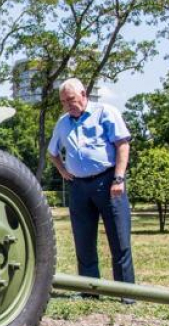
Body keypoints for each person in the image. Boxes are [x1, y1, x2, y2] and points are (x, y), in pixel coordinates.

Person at [47, 78, 135, 301]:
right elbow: (52, 152)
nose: (68, 105)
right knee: (84, 241)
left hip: (107, 182)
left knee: (119, 239)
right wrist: (63, 171)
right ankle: (90, 291)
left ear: (84, 95)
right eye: (64, 102)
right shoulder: (63, 123)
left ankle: (126, 293)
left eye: (71, 100)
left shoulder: (105, 112)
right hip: (79, 186)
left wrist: (119, 178)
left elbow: (122, 145)